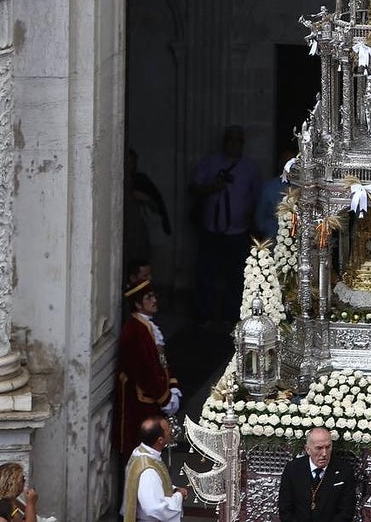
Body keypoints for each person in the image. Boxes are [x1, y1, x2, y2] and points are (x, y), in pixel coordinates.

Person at [189, 125, 262, 321]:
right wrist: (212, 187)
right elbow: (194, 186)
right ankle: (204, 315)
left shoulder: (250, 168)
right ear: (224, 141)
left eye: (238, 140)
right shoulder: (210, 162)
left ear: (243, 144)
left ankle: (232, 317)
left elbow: (257, 198)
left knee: (237, 277)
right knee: (206, 275)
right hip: (211, 230)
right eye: (230, 139)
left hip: (238, 232)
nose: (233, 144)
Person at [113, 279, 181, 457]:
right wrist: (165, 398)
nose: (154, 300)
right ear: (137, 303)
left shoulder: (146, 326)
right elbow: (145, 372)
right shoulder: (134, 331)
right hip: (140, 402)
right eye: (148, 297)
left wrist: (173, 386)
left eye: (154, 296)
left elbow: (162, 361)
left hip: (153, 398)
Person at [277, 426, 356, 522]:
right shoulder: (293, 469)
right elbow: (285, 509)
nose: (324, 453)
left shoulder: (344, 470)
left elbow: (346, 512)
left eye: (328, 447)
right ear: (308, 449)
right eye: (319, 448)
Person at [122, 417, 189, 522]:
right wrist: (178, 496)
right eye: (167, 430)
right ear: (160, 440)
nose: (171, 431)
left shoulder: (139, 452)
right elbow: (154, 508)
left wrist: (174, 489)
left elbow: (154, 485)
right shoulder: (148, 471)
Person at [255, 147, 296, 242]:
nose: (290, 168)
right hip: (273, 241)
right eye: (286, 163)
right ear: (280, 164)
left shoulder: (303, 189)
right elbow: (259, 219)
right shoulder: (269, 188)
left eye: (293, 164)